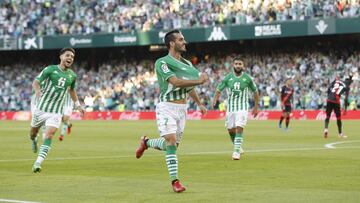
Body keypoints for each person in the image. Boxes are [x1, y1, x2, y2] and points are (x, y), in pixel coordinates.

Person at [135, 29, 208, 193]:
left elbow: (188, 86)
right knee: (171, 140)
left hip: (182, 109)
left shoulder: (188, 64)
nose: (184, 42)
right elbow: (175, 82)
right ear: (172, 43)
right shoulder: (162, 62)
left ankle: (146, 143)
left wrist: (199, 103)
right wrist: (199, 81)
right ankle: (175, 181)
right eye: (181, 40)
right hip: (166, 107)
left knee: (171, 145)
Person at [29, 47, 84, 173]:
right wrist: (37, 90)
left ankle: (38, 163)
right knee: (32, 133)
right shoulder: (50, 69)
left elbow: (71, 90)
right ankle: (34, 140)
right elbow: (36, 82)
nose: (70, 58)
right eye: (67, 55)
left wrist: (78, 105)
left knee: (49, 135)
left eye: (72, 57)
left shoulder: (72, 75)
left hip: (56, 112)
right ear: (61, 57)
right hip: (41, 109)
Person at [212, 57, 259, 160]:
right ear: (233, 65)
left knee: (239, 127)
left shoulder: (248, 78)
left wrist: (256, 106)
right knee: (230, 130)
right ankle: (238, 146)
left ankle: (236, 152)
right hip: (231, 108)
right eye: (236, 64)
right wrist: (215, 99)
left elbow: (255, 92)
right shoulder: (228, 78)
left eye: (240, 64)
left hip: (242, 107)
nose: (238, 65)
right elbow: (219, 89)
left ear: (243, 66)